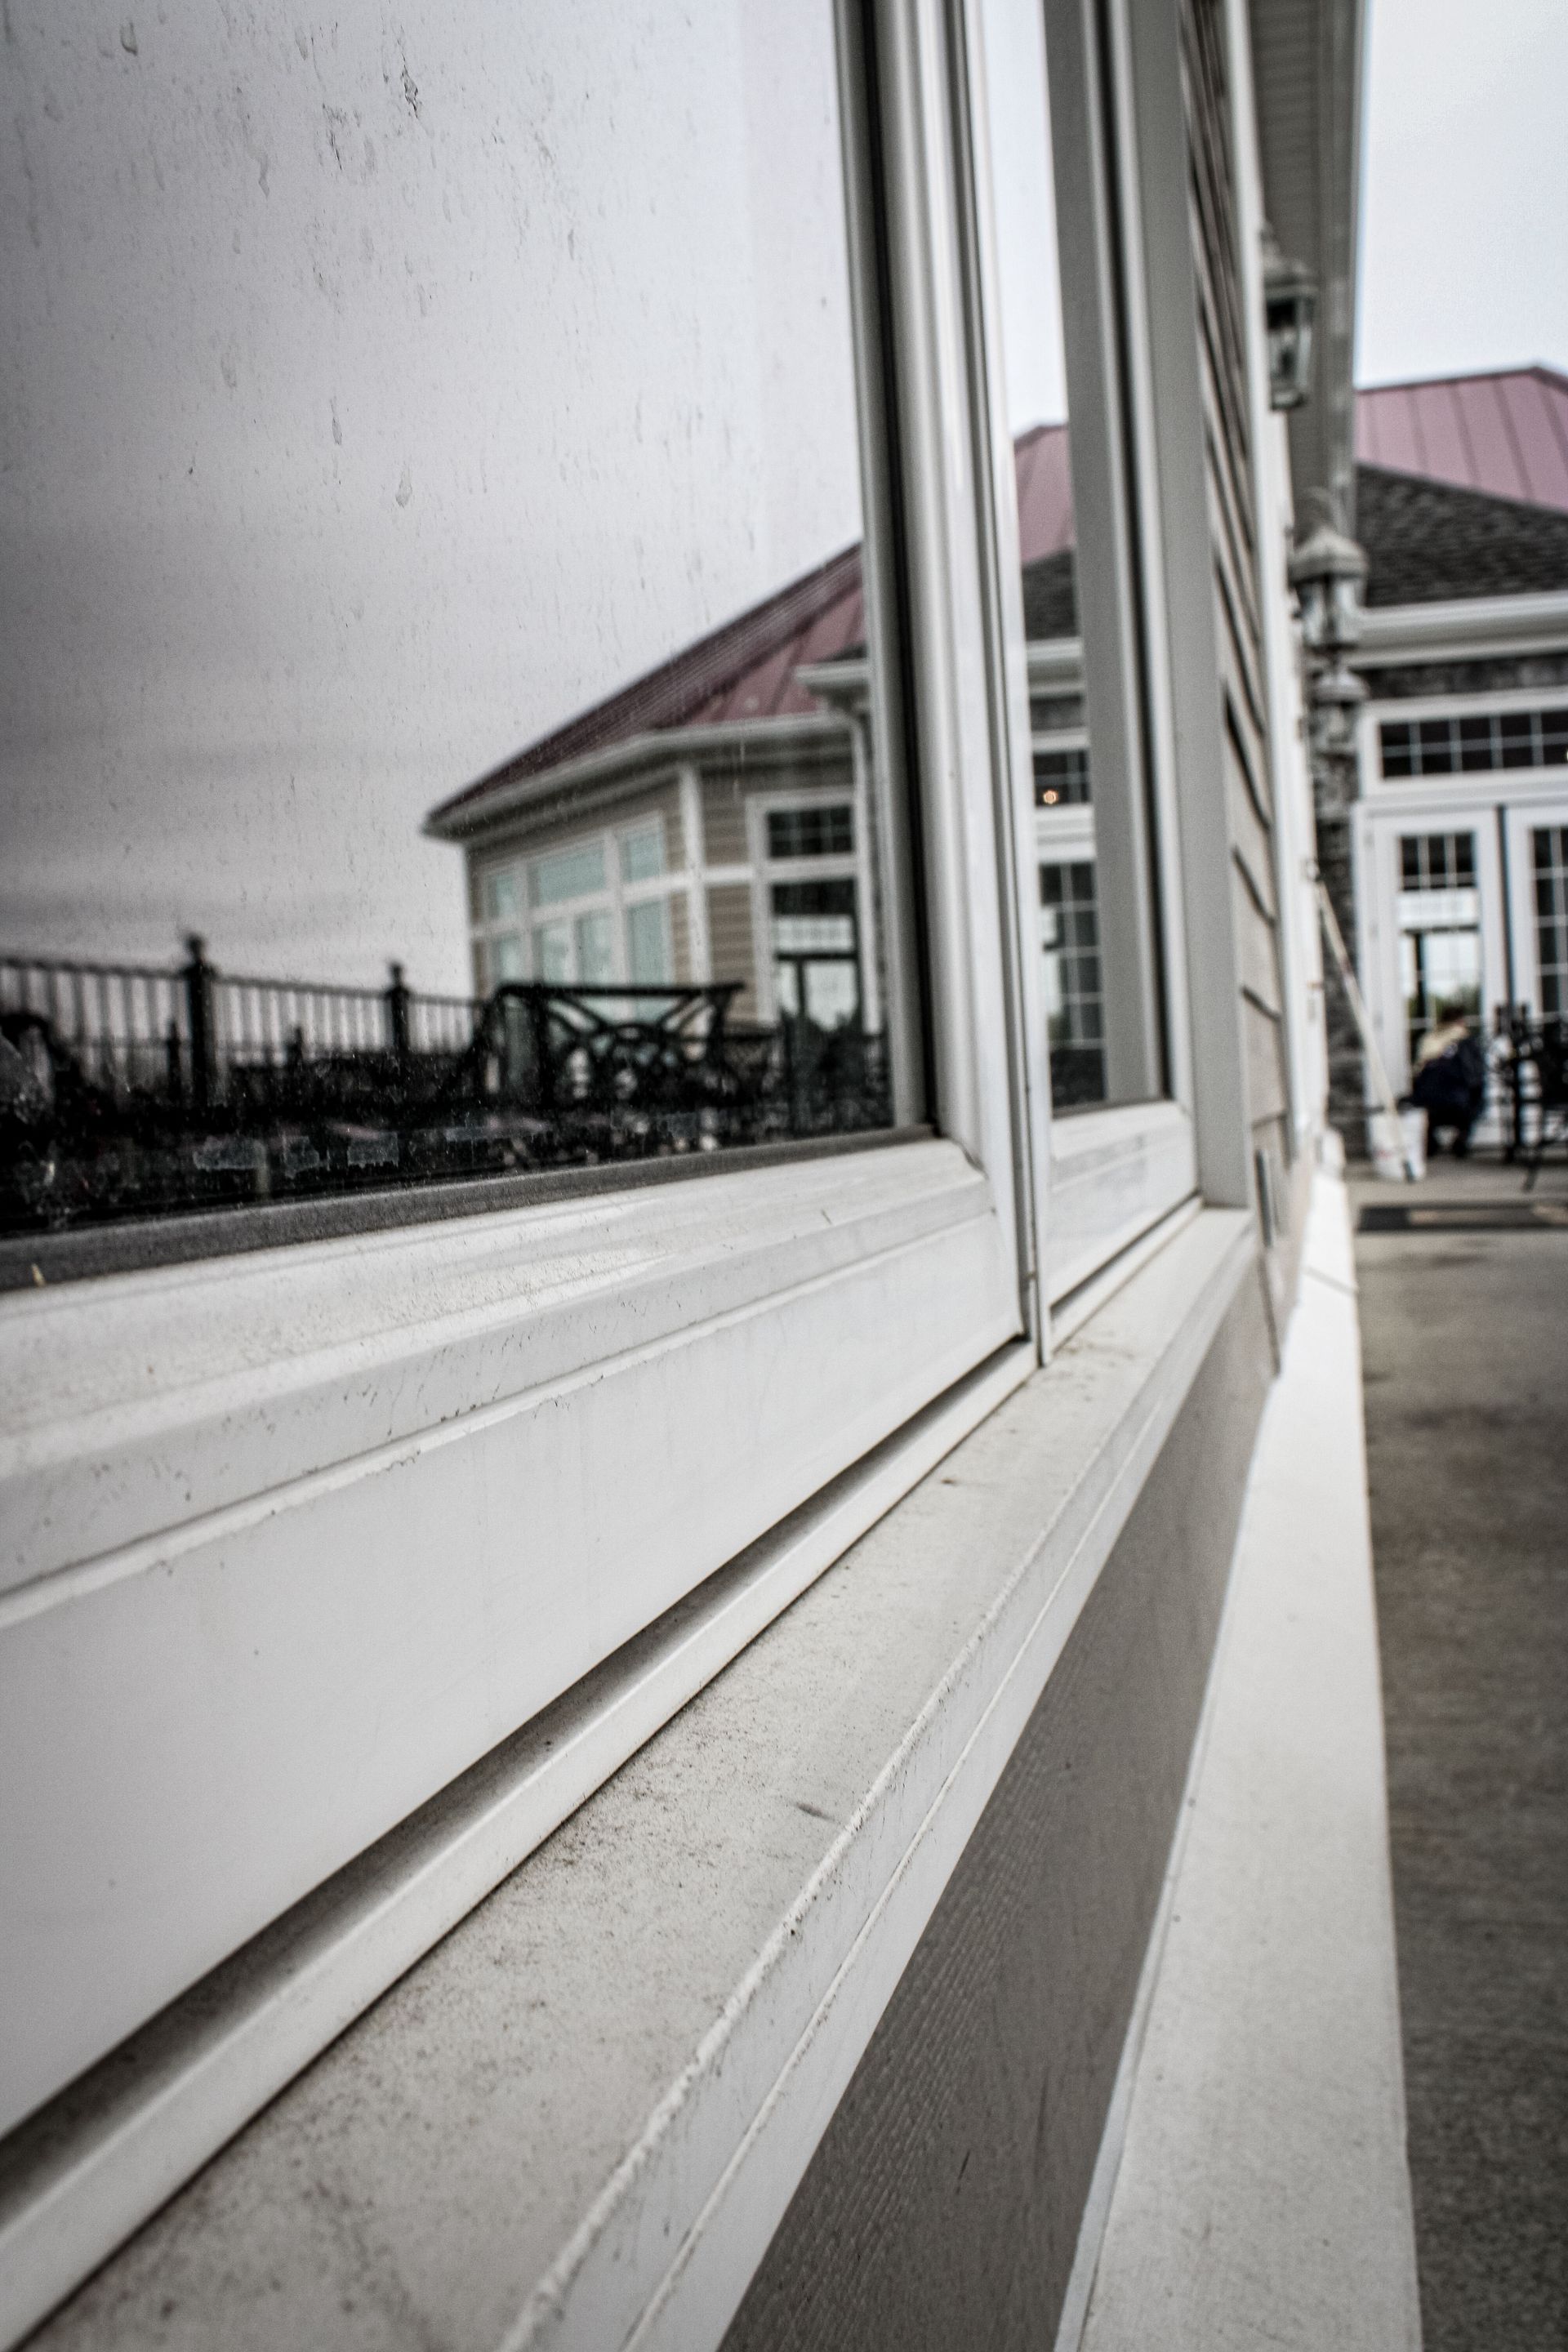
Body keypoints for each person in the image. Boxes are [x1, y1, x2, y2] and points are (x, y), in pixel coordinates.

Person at [1411, 999, 1487, 1156]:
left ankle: (1432, 1142)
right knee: (1477, 1100)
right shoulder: (1465, 1041)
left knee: (1434, 1102)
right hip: (1457, 1101)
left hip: (1428, 1100)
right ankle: (1462, 1138)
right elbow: (1475, 1076)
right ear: (1460, 1021)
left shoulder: (1428, 1040)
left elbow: (1418, 1073)